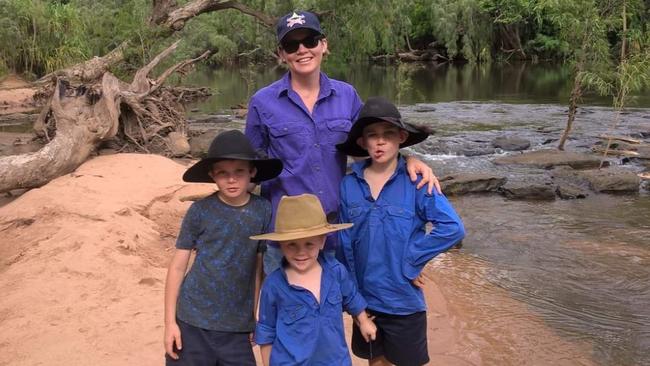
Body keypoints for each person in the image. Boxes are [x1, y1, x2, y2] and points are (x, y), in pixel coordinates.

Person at [245, 10, 441, 274]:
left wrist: (408, 160)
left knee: (336, 305)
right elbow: (250, 167)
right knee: (285, 310)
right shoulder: (262, 101)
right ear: (282, 53)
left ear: (324, 45)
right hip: (284, 234)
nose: (302, 50)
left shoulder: (346, 96)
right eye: (292, 45)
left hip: (337, 229)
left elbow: (372, 143)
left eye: (310, 41)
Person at [336, 97, 466, 366]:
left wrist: (412, 260)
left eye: (388, 134)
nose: (380, 142)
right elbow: (344, 243)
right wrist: (351, 295)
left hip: (403, 302)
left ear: (401, 137)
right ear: (362, 143)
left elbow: (452, 228)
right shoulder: (348, 186)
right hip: (365, 301)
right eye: (372, 135)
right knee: (376, 362)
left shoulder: (416, 182)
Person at [163, 130, 283, 365]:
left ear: (252, 172)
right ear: (212, 175)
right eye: (223, 173)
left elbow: (257, 268)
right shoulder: (199, 211)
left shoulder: (263, 210)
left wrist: (253, 316)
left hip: (237, 325)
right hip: (192, 319)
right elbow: (178, 267)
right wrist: (170, 323)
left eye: (239, 171)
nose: (231, 179)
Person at [251, 194, 377, 366]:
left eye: (309, 244)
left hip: (335, 361)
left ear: (322, 241)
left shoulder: (335, 271)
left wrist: (363, 320)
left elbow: (351, 297)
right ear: (281, 245)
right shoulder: (273, 285)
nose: (301, 252)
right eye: (291, 244)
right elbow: (266, 330)